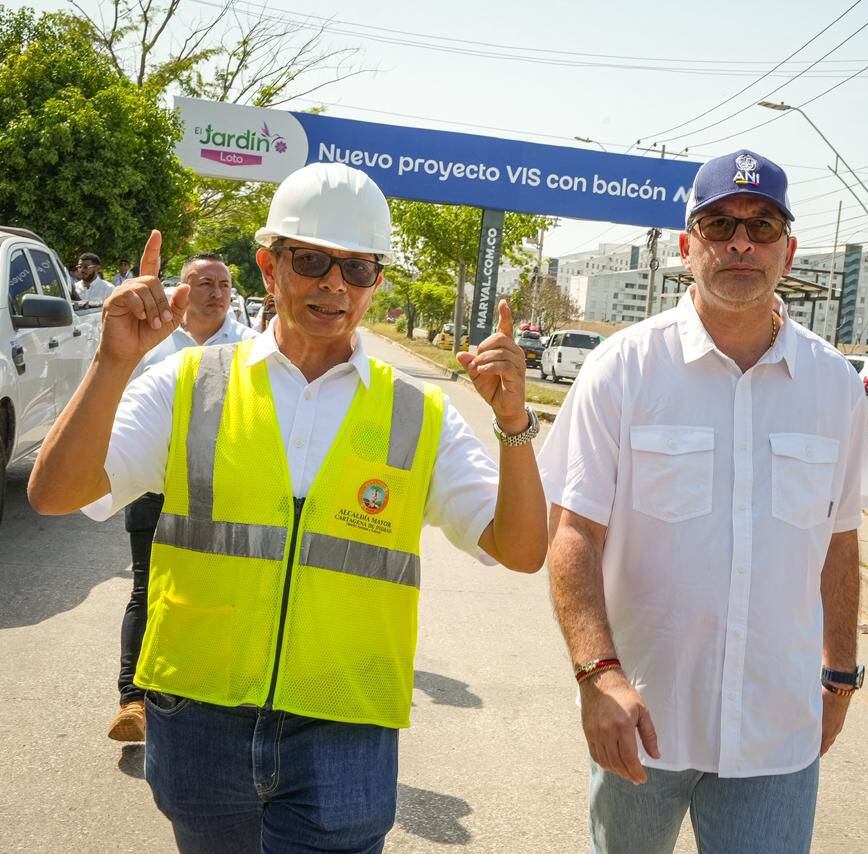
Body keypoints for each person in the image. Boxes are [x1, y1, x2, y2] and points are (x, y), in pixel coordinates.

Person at [28, 162, 547, 853]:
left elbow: (521, 549)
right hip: (199, 721)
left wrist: (513, 426)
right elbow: (56, 492)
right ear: (270, 268)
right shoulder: (189, 384)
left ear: (376, 285)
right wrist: (113, 361)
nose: (335, 285)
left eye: (357, 269)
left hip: (345, 729)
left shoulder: (418, 414)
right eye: (312, 261)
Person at [538, 149, 868, 854]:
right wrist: (598, 677)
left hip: (776, 735)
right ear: (688, 248)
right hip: (644, 721)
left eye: (762, 225)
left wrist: (839, 678)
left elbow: (838, 542)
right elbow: (573, 532)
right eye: (719, 225)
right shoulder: (623, 369)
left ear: (788, 250)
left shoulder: (834, 386)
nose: (741, 242)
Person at [106, 252, 260, 743]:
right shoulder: (148, 342)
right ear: (181, 289)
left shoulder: (254, 350)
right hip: (154, 489)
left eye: (224, 283)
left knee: (217, 593)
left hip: (226, 496)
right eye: (203, 282)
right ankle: (133, 701)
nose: (216, 292)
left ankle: (204, 700)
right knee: (146, 588)